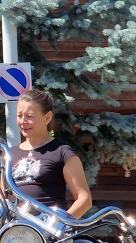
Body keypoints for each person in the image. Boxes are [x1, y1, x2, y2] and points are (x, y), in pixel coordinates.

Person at [11, 89, 92, 217]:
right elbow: (3, 200)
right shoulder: (9, 154)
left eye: (29, 116)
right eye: (19, 115)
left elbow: (84, 199)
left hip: (49, 228)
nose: (22, 121)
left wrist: (59, 224)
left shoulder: (61, 151)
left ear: (47, 117)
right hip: (17, 227)